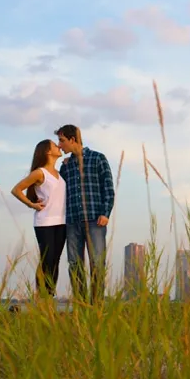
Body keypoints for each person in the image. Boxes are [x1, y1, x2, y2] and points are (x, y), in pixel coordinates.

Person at [55, 124, 115, 304]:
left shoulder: (98, 158)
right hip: (72, 222)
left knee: (97, 264)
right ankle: (81, 305)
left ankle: (96, 305)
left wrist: (106, 213)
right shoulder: (66, 166)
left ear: (73, 139)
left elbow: (108, 188)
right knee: (74, 265)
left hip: (95, 220)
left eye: (62, 140)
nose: (59, 145)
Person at [11, 140, 67, 298]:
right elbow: (16, 190)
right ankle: (40, 296)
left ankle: (48, 297)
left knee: (55, 260)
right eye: (55, 145)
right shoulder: (40, 173)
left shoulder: (59, 173)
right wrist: (31, 204)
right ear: (48, 152)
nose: (59, 146)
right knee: (47, 259)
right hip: (45, 223)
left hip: (62, 222)